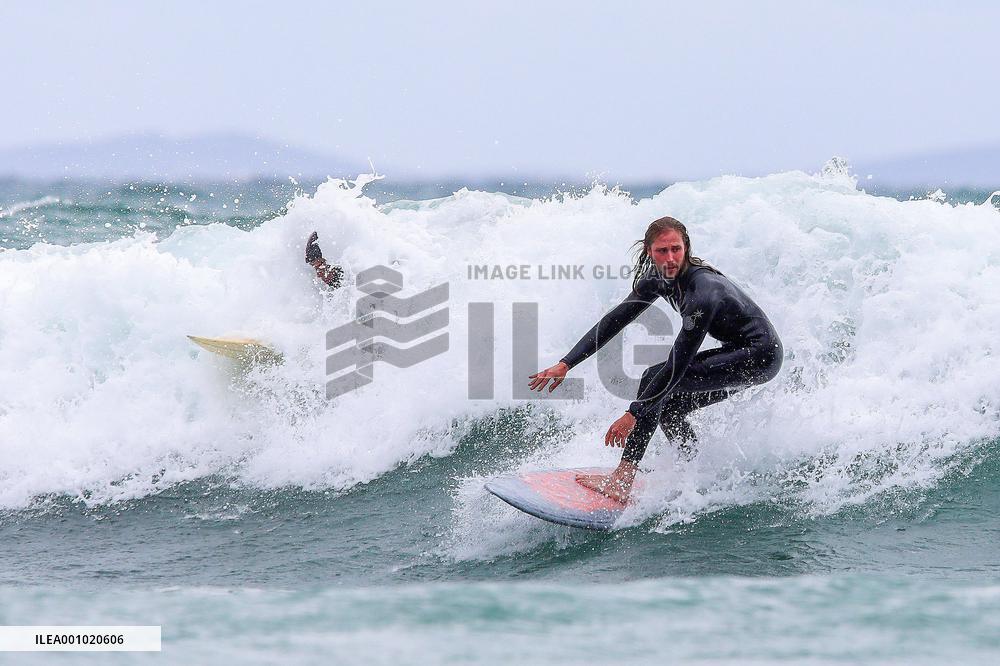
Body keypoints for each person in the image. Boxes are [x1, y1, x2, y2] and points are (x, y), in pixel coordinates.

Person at [528, 216, 782, 502]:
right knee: (668, 408)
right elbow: (614, 320)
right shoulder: (657, 280)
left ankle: (622, 479)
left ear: (686, 247)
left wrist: (633, 413)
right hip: (738, 349)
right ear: (649, 251)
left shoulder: (704, 292)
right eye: (662, 251)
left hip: (758, 356)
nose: (670, 258)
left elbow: (678, 363)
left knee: (654, 379)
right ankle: (692, 473)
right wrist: (566, 363)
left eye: (676, 249)